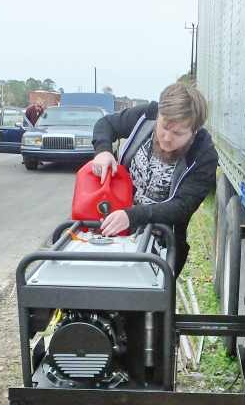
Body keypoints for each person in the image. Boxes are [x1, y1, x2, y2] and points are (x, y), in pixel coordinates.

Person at [91, 82, 218, 276]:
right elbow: (106, 124)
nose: (167, 138)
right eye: (164, 126)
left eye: (178, 133)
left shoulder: (204, 155)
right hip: (113, 228)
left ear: (194, 131)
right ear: (158, 115)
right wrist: (103, 151)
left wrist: (131, 216)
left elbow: (181, 207)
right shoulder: (145, 115)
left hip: (161, 243)